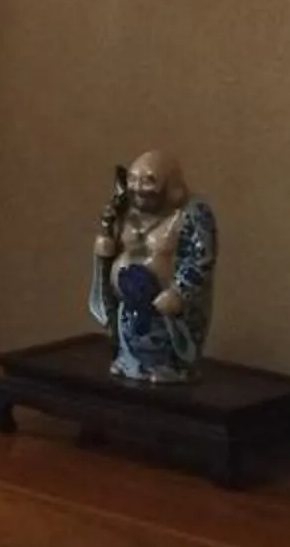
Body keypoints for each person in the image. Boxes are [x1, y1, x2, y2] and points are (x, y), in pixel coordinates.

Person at [88, 151, 216, 383]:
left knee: (165, 340)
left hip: (167, 311)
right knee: (128, 332)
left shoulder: (192, 213)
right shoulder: (123, 207)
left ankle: (170, 366)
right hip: (127, 306)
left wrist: (179, 293)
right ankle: (128, 359)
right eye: (133, 179)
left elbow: (201, 259)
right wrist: (104, 247)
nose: (138, 187)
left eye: (149, 180)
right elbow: (113, 241)